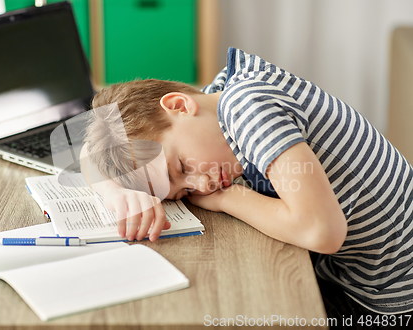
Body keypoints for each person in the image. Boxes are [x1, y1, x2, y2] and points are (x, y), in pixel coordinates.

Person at [83, 47, 413, 327]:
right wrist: (118, 193)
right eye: (183, 193)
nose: (201, 186)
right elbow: (87, 153)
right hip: (352, 275)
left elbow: (321, 232)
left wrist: (228, 198)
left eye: (181, 167)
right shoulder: (219, 97)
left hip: (389, 300)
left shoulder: (247, 108)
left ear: (180, 106)